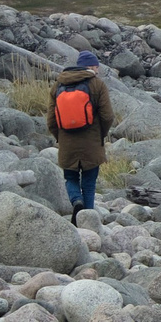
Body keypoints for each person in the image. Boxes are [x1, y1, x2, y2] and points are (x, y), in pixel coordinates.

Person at [49, 51, 116, 213]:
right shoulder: (97, 84)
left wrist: (61, 138)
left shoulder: (58, 85)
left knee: (70, 178)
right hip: (91, 143)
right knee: (89, 183)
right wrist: (101, 135)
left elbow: (51, 121)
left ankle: (76, 200)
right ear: (91, 66)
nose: (98, 70)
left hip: (67, 143)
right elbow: (108, 116)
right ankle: (88, 217)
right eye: (96, 67)